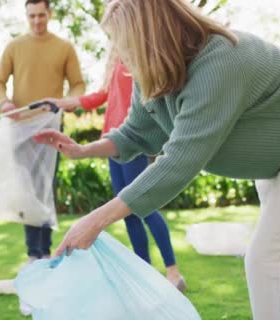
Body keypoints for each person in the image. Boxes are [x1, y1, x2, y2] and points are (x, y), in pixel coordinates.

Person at [33, 0, 280, 319]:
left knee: (270, 263)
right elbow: (137, 133)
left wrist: (96, 220)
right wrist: (82, 150)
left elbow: (179, 161)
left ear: (150, 37)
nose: (118, 54)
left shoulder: (220, 60)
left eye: (123, 43)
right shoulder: (150, 74)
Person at [45, 60, 185, 290]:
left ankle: (174, 272)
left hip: (133, 139)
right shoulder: (115, 60)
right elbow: (100, 96)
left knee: (144, 206)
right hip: (113, 140)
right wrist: (61, 102)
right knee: (128, 214)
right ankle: (145, 272)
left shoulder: (138, 55)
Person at [0, 0, 85, 265]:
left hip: (51, 127)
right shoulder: (14, 46)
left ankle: (43, 250)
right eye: (31, 16)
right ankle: (36, 253)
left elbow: (78, 85)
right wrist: (4, 103)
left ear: (50, 14)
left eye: (41, 15)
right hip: (20, 128)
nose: (36, 21)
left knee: (46, 187)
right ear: (26, 16)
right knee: (27, 190)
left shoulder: (64, 47)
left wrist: (69, 102)